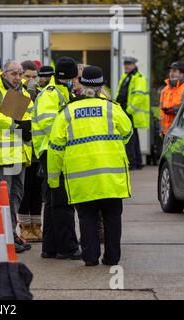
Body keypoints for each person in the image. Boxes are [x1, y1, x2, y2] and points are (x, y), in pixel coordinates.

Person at [47, 66, 133, 266]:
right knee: (112, 217)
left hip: (81, 178)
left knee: (86, 217)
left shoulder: (67, 112)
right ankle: (112, 258)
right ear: (101, 86)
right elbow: (128, 134)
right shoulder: (112, 108)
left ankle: (90, 257)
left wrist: (53, 179)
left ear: (81, 84)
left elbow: (55, 148)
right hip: (112, 178)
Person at [0, 60, 33, 253]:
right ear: (4, 73)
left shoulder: (24, 93)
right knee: (2, 197)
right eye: (14, 73)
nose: (18, 77)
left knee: (16, 196)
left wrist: (28, 128)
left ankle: (10, 234)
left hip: (19, 154)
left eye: (20, 74)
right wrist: (17, 125)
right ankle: (2, 238)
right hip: (2, 155)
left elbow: (30, 117)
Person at [32, 56, 81, 260]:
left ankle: (50, 247)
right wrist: (71, 137)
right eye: (75, 77)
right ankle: (68, 247)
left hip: (50, 151)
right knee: (62, 202)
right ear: (69, 77)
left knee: (53, 202)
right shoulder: (52, 95)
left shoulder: (60, 93)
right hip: (53, 152)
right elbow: (50, 125)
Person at [17, 60, 44, 242]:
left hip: (39, 151)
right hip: (23, 151)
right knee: (24, 191)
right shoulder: (17, 95)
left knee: (37, 192)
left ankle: (36, 226)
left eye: (35, 77)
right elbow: (15, 122)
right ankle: (25, 227)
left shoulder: (43, 95)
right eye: (27, 77)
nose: (32, 80)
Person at [115, 56, 150, 170]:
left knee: (130, 139)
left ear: (135, 65)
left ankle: (133, 163)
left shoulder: (139, 78)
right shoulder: (126, 77)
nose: (126, 66)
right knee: (133, 138)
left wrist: (129, 110)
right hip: (124, 111)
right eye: (125, 64)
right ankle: (137, 162)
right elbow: (120, 94)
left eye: (129, 64)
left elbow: (140, 96)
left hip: (130, 112)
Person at [159, 61, 184, 136]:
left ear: (182, 74)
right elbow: (161, 113)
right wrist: (161, 130)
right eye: (170, 71)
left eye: (174, 71)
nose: (171, 73)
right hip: (166, 134)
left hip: (182, 134)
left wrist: (174, 110)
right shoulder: (165, 90)